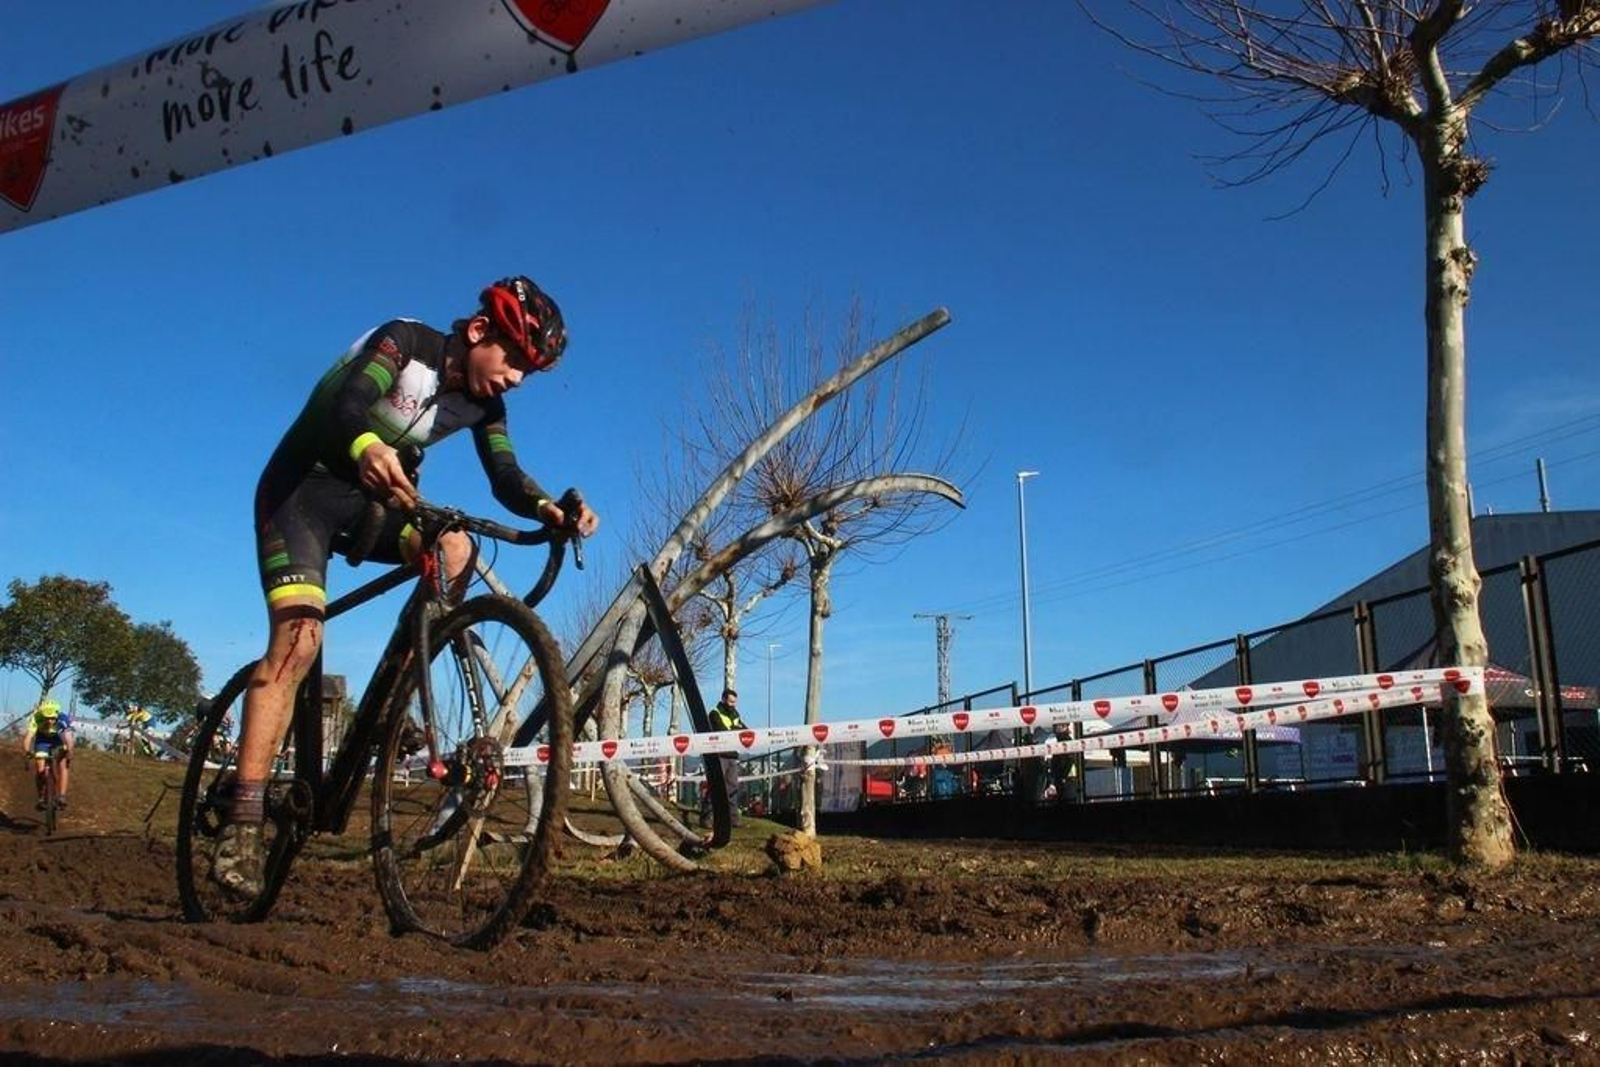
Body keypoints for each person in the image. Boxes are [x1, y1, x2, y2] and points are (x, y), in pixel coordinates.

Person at [211, 275, 600, 899]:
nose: (518, 378)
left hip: (374, 502)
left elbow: (504, 476)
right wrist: (365, 443)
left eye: (532, 370)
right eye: (516, 359)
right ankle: (244, 821)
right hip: (300, 495)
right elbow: (344, 406)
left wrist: (551, 508)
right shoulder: (404, 343)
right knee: (301, 639)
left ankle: (398, 685)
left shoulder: (484, 405)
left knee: (455, 545)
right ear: (479, 332)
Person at [700, 688, 747, 829]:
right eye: (731, 701)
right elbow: (722, 731)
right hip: (719, 754)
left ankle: (733, 819)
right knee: (716, 786)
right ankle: (707, 818)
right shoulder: (715, 713)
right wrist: (736, 730)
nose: (733, 704)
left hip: (732, 755)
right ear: (723, 699)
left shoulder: (735, 714)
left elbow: (744, 729)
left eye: (735, 702)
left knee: (732, 787)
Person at [22, 698, 73, 810]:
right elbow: (28, 738)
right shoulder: (35, 718)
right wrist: (27, 752)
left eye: (52, 718)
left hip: (57, 741)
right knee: (40, 769)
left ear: (57, 714)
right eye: (46, 717)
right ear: (42, 714)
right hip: (42, 741)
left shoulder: (63, 719)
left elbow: (69, 739)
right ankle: (41, 798)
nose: (49, 721)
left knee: (63, 764)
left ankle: (62, 796)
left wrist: (70, 751)